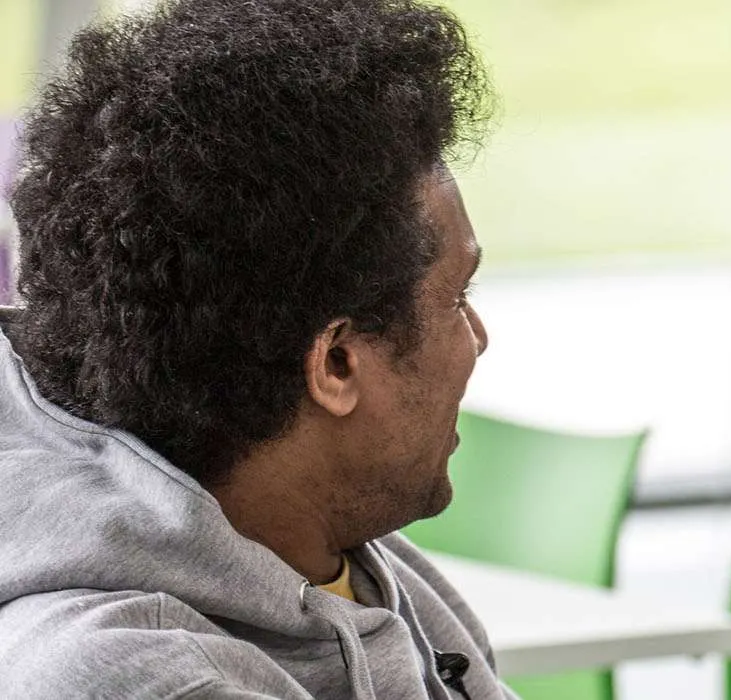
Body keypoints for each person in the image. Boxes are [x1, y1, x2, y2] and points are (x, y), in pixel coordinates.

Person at [0, 0, 508, 697]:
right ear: (335, 363)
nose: (477, 339)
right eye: (455, 297)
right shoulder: (134, 679)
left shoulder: (365, 562)